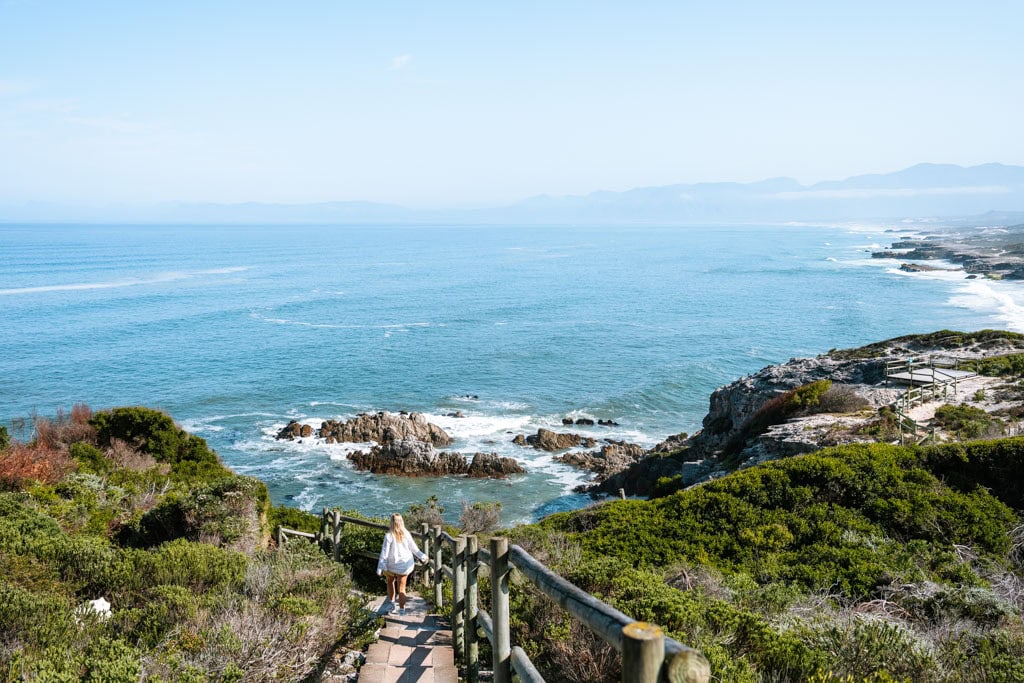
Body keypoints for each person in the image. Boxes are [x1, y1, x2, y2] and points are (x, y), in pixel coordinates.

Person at [376, 513, 428, 615]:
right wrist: (423, 557)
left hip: (391, 565)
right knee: (401, 588)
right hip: (404, 565)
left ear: (391, 522)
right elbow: (414, 549)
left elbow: (384, 554)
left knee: (390, 582)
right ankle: (402, 610)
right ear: (401, 522)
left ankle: (391, 605)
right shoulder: (406, 534)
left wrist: (380, 568)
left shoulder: (388, 536)